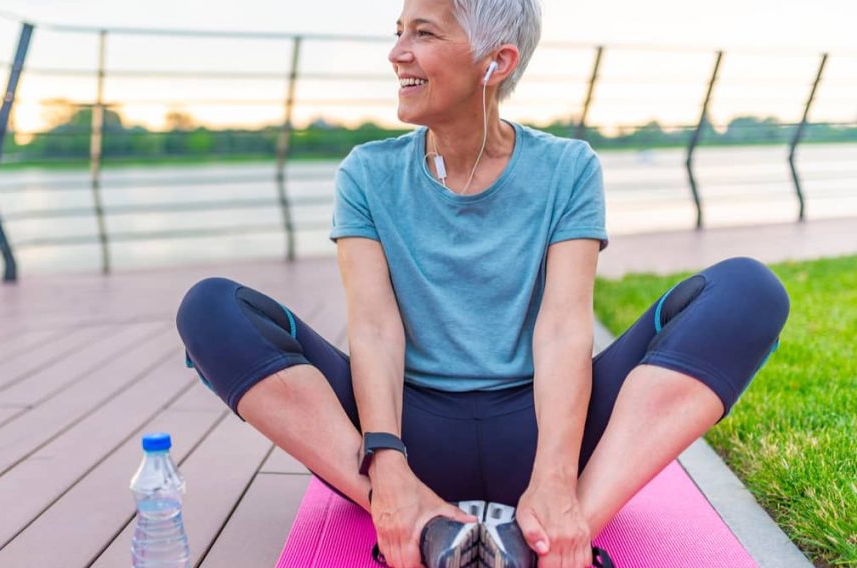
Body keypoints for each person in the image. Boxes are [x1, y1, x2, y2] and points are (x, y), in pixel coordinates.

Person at [176, 0, 790, 566]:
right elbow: (374, 327)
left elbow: (562, 328)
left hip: (546, 428)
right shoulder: (366, 173)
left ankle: (555, 532)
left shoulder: (567, 168)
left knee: (748, 290)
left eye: (423, 33)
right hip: (409, 435)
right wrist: (386, 463)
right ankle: (412, 511)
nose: (397, 53)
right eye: (398, 33)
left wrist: (554, 476)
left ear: (496, 61)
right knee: (210, 309)